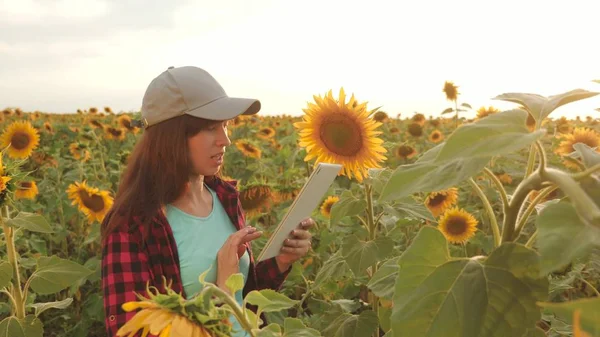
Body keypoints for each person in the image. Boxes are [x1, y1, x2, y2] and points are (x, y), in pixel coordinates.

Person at [100, 66, 314, 337]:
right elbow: (131, 331)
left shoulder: (225, 198)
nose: (225, 140)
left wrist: (282, 260)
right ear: (172, 136)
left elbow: (246, 297)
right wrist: (222, 288)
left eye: (225, 125)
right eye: (211, 128)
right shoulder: (133, 225)